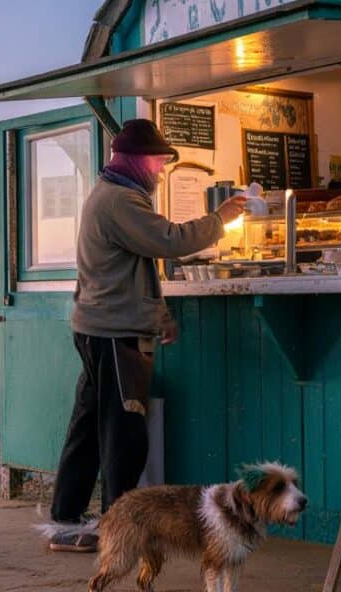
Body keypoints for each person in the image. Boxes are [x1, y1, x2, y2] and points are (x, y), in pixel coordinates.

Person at [46, 120, 247, 552]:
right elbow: (168, 241)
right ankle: (119, 529)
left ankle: (65, 517)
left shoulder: (112, 194)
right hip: (115, 333)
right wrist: (220, 219)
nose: (159, 171)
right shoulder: (121, 201)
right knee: (125, 433)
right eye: (157, 161)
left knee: (88, 428)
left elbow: (136, 267)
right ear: (136, 160)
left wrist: (161, 315)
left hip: (99, 327)